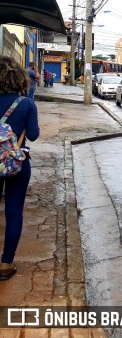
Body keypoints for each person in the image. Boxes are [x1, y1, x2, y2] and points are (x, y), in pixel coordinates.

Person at [0, 55, 40, 281]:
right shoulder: (26, 104)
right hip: (17, 163)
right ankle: (6, 264)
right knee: (14, 212)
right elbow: (33, 135)